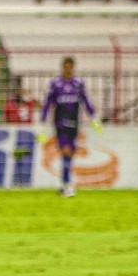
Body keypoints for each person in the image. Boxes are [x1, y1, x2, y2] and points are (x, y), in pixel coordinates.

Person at [39, 57, 100, 197]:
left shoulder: (78, 84)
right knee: (66, 151)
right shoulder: (55, 84)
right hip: (60, 123)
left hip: (74, 123)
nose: (68, 69)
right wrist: (42, 121)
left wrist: (94, 117)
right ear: (62, 67)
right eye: (66, 66)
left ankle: (63, 184)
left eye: (70, 66)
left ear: (73, 67)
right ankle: (68, 186)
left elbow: (86, 101)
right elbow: (48, 103)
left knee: (70, 154)